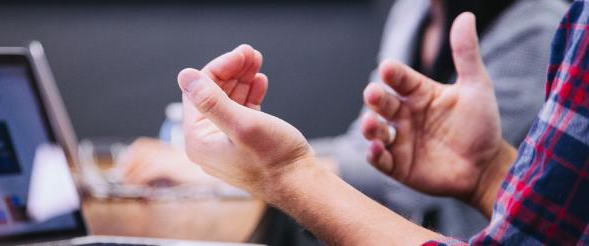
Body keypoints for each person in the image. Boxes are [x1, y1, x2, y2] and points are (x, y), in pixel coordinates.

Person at [120, 0, 567, 242]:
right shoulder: (413, 11)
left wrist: (276, 169)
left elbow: (393, 178)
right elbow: (372, 150)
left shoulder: (542, 25)